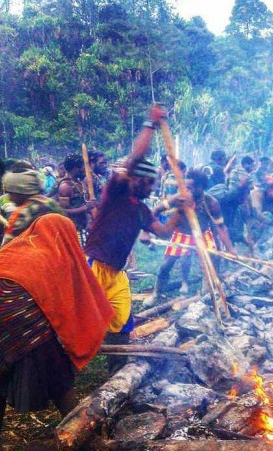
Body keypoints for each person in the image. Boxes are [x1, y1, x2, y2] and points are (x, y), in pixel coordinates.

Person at [0, 214, 113, 451]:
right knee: (60, 377)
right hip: (19, 316)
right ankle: (84, 439)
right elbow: (64, 306)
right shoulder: (54, 257)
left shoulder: (19, 247)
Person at [84, 104, 187, 372]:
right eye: (149, 183)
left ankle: (116, 372)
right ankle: (65, 365)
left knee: (121, 319)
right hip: (93, 266)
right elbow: (134, 158)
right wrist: (150, 124)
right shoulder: (116, 191)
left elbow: (163, 230)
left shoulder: (141, 209)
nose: (151, 188)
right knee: (79, 321)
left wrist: (180, 211)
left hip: (116, 272)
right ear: (135, 179)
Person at [145, 169, 235, 306]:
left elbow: (221, 227)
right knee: (166, 265)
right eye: (185, 187)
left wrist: (230, 249)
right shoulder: (179, 198)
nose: (186, 190)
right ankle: (156, 293)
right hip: (182, 234)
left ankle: (208, 292)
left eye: (190, 188)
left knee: (212, 262)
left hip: (203, 235)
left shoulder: (211, 203)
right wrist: (147, 231)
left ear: (200, 188)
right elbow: (155, 211)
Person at [0, 166, 64, 246]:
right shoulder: (51, 204)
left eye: (11, 193)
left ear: (21, 191)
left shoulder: (23, 213)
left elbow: (7, 246)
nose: (10, 198)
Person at [55, 153, 97, 244]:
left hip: (83, 229)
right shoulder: (65, 186)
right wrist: (86, 207)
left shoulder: (79, 183)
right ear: (75, 168)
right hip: (73, 232)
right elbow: (63, 211)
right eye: (82, 167)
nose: (84, 170)